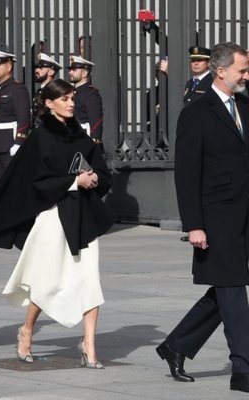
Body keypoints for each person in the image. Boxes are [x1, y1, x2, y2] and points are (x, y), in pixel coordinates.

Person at [0, 79, 114, 368]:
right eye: (64, 98)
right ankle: (27, 330)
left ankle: (89, 344)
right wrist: (72, 182)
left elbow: (103, 172)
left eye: (72, 97)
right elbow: (34, 183)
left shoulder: (81, 135)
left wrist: (94, 178)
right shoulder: (40, 137)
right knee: (46, 282)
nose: (70, 103)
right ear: (49, 103)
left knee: (90, 281)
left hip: (84, 216)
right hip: (53, 215)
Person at [156, 42, 249, 393]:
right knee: (233, 287)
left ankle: (177, 345)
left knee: (227, 284)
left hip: (244, 209)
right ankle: (243, 368)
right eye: (242, 69)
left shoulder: (244, 103)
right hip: (216, 214)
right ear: (221, 71)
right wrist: (193, 224)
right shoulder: (196, 111)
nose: (246, 75)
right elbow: (187, 173)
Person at [0, 50, 30, 184]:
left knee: (12, 181)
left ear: (9, 66)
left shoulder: (17, 89)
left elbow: (23, 118)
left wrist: (18, 142)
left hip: (9, 142)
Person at [68, 55, 103, 147]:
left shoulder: (90, 94)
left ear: (84, 73)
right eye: (70, 69)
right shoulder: (71, 92)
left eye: (74, 70)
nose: (70, 72)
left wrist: (94, 143)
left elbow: (96, 122)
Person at [32, 53, 62, 126]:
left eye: (41, 68)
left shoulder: (54, 91)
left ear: (51, 72)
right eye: (37, 67)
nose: (37, 70)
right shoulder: (40, 90)